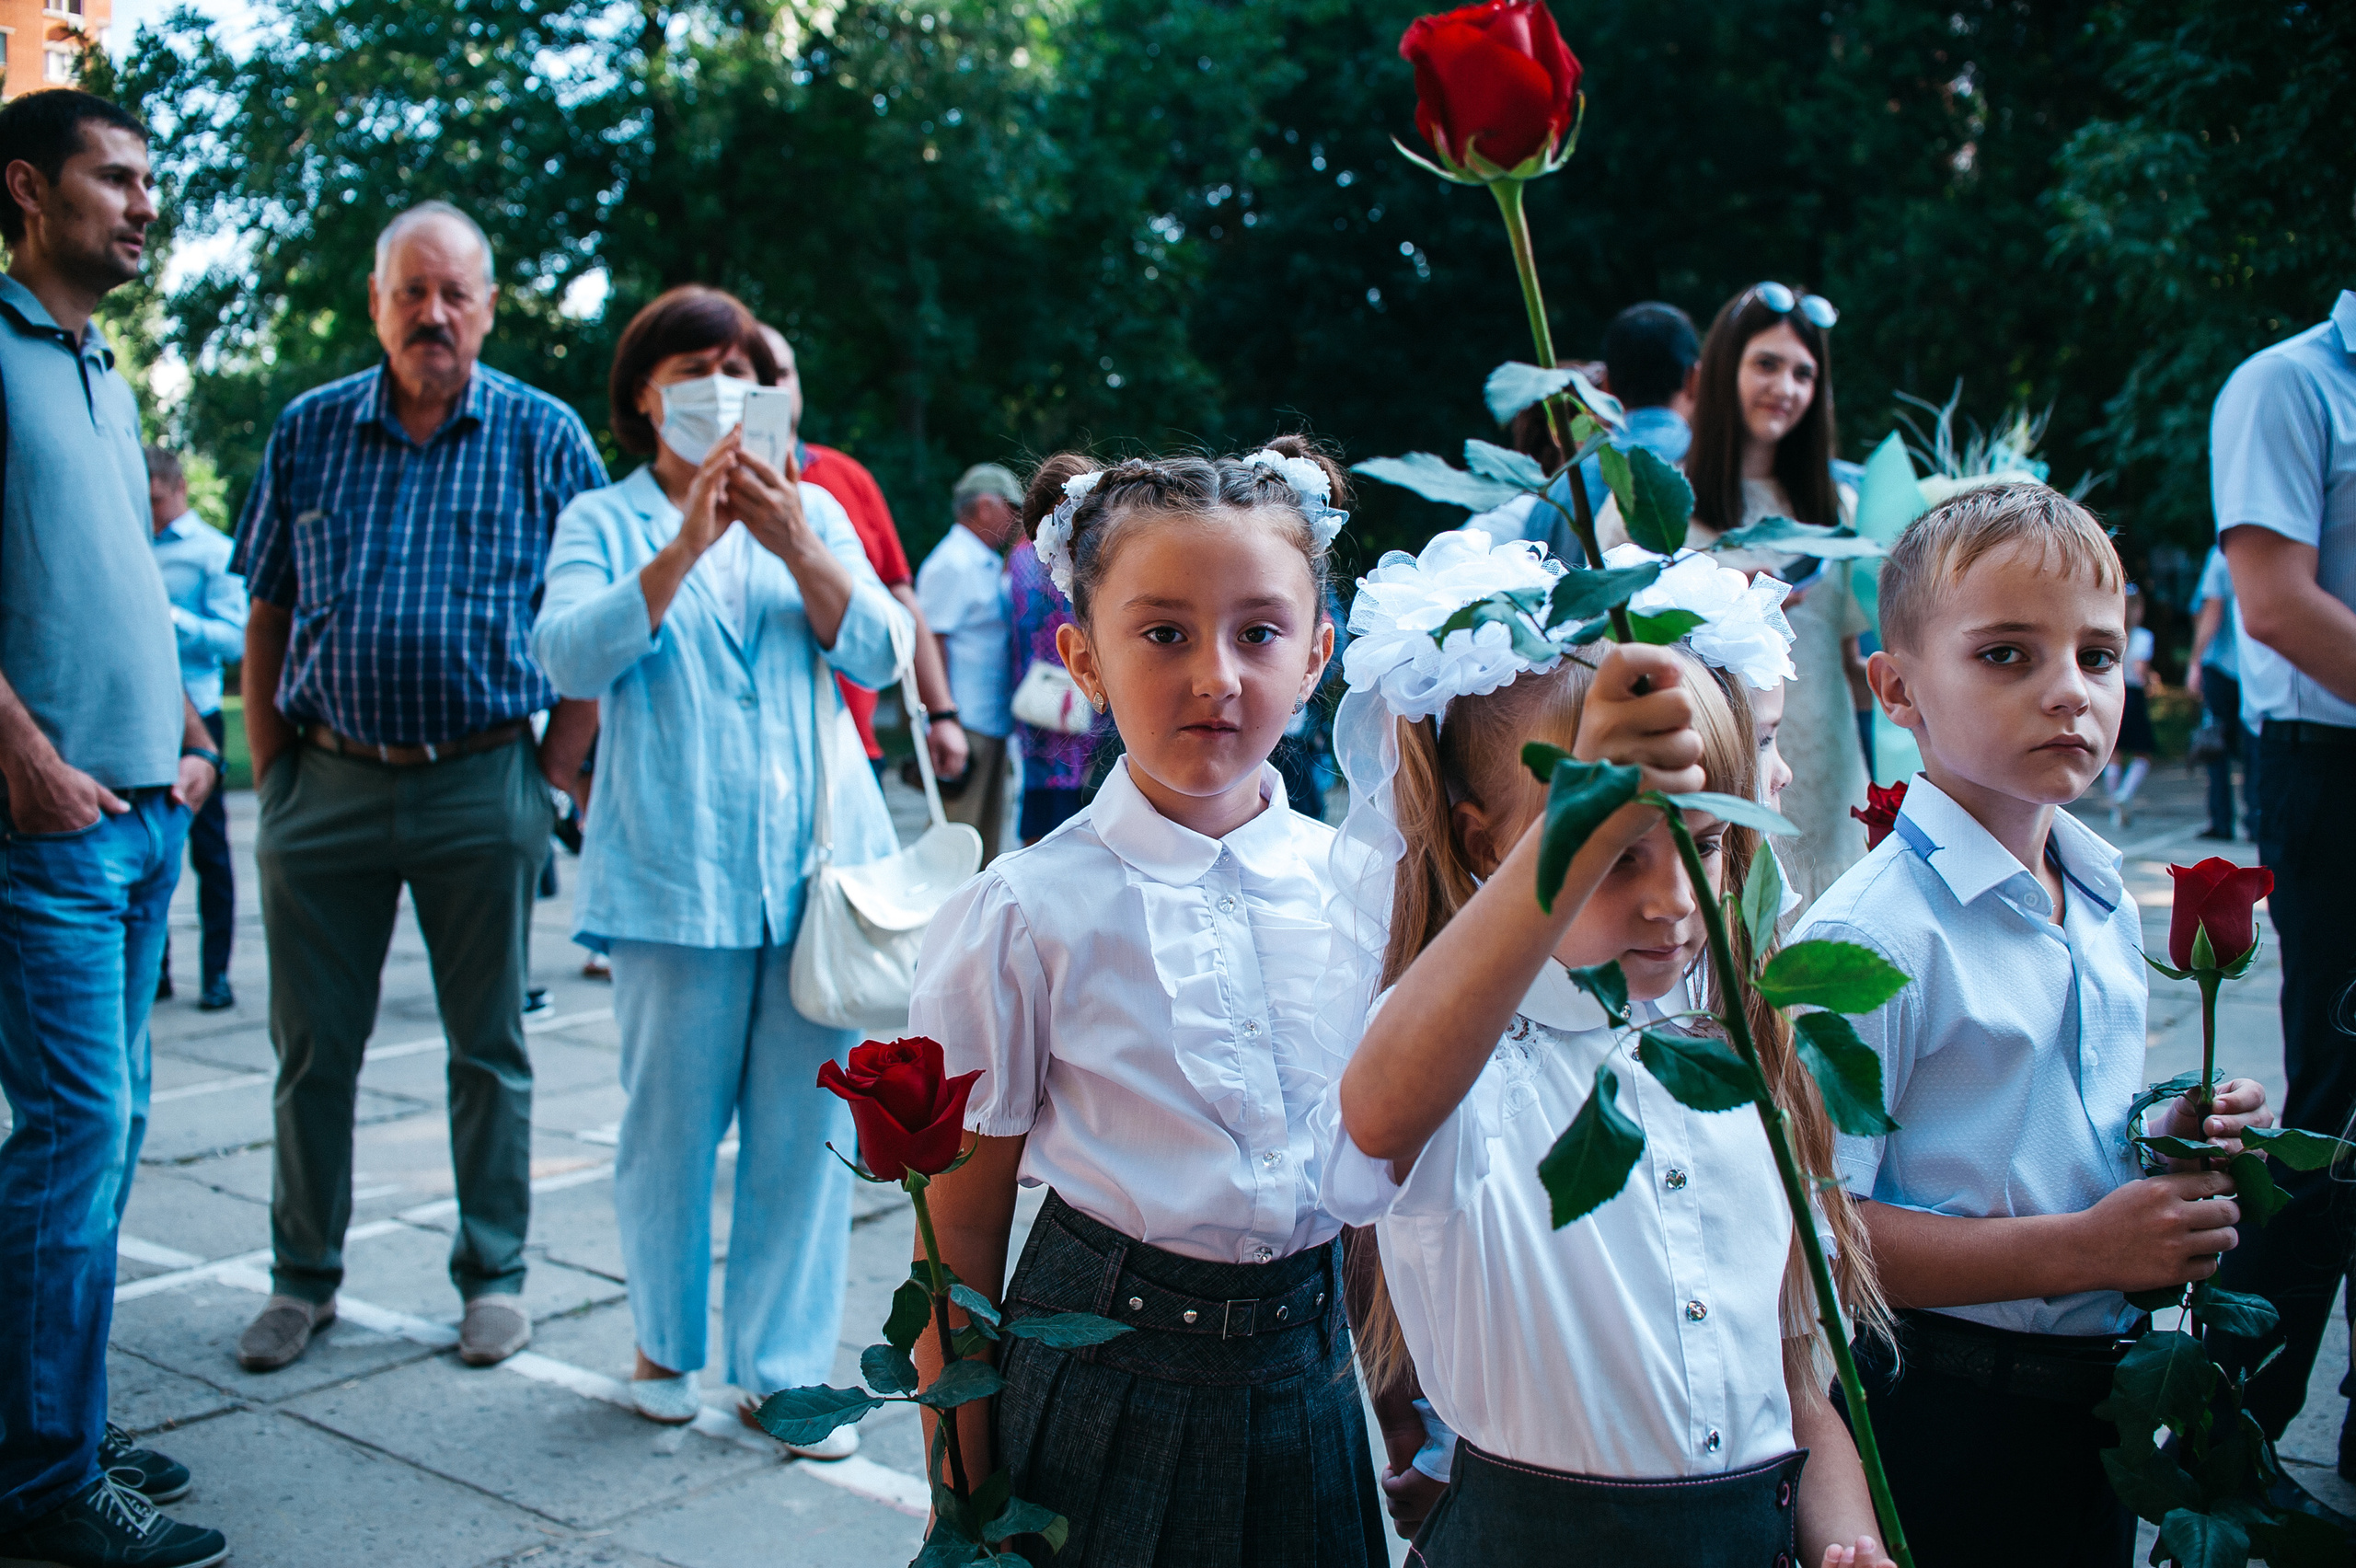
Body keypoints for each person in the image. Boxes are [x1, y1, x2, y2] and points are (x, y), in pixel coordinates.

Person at [1321, 532, 1891, 1565]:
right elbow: (1374, 1119)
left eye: (1704, 845)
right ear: (1487, 839)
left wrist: (1848, 1536)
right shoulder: (1477, 1071)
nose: (1673, 901)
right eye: (1614, 855)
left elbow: (1794, 1387)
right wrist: (1570, 827)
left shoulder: (1736, 1058)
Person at [908, 441, 1387, 1565]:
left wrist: (1403, 1406)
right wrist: (959, 1496)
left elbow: (1376, 1179)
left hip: (1308, 1379)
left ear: (1318, 654)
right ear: (1083, 656)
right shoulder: (1024, 912)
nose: (1215, 675)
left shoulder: (1363, 888)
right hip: (1098, 1382)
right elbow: (961, 1226)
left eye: (1258, 632)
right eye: (1163, 633)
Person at [1797, 484, 2272, 1565]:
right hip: (1946, 1407)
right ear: (1898, 688)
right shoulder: (1870, 942)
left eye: (2096, 657)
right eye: (2007, 655)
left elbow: (2046, 1131)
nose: (2068, 692)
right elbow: (1815, 1241)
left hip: (2087, 1403)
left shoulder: (2098, 892)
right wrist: (2078, 1249)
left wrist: (2170, 1137)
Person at [230, 200, 607, 1376]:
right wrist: (277, 770)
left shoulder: (546, 438)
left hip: (482, 779)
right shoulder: (309, 428)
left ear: (489, 308)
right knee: (311, 1052)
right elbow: (269, 610)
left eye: (455, 294)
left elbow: (592, 633)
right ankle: (303, 1280)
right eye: (412, 293)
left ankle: (491, 1275)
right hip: (326, 780)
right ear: (379, 304)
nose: (433, 315)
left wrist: (548, 778)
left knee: (486, 1049)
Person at [532, 285, 908, 1449]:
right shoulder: (604, 514)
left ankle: (784, 1369)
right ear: (645, 395)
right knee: (667, 1132)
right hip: (670, 878)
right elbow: (565, 652)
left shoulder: (813, 510)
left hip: (813, 886)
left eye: (739, 371)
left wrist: (793, 540)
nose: (718, 392)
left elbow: (882, 654)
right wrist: (685, 545)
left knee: (804, 1139)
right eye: (693, 371)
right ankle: (663, 1343)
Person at [0, 88, 228, 1568]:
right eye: (117, 179)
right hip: (55, 831)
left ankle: (55, 1422)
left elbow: (104, 583)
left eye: (152, 181)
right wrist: (21, 757)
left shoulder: (99, 367)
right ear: (26, 188)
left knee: (110, 1135)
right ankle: (38, 1489)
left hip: (148, 813)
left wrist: (195, 736)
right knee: (75, 1145)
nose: (145, 203)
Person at [2202, 289, 2356, 1493]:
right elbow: (2277, 604)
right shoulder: (2291, 384)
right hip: (2335, 770)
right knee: (2333, 1117)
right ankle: (2232, 1441)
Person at [1606, 282, 1874, 909]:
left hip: (1830, 782)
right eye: (1767, 364)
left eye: (1804, 373)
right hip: (1712, 786)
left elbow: (1848, 662)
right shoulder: (1651, 507)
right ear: (1721, 369)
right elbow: (1609, 655)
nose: (1786, 387)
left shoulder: (1842, 512)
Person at [754, 323, 964, 782]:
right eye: (754, 375)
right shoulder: (698, 499)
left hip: (851, 744)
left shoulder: (847, 478)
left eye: (782, 373)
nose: (771, 388)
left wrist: (942, 715)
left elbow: (901, 601)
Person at [146, 445, 248, 1013]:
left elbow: (237, 640)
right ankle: (155, 969)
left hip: (199, 716)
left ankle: (216, 974)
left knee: (208, 852)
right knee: (146, 843)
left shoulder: (215, 553)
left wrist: (170, 619)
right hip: (139, 714)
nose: (152, 512)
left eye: (157, 500)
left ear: (179, 488)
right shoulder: (126, 543)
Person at [916, 463, 1021, 862]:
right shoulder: (953, 563)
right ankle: (936, 924)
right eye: (1010, 507)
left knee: (982, 839)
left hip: (985, 719)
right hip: (966, 721)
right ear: (984, 507)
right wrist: (945, 718)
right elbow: (929, 643)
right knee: (956, 840)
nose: (1015, 518)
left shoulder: (980, 560)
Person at [1006, 455, 1101, 844]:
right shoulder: (1089, 560)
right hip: (1083, 689)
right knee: (1083, 806)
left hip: (1033, 690)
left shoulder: (1021, 557)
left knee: (1038, 803)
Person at [2184, 545, 2251, 842]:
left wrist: (2195, 662)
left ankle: (2221, 821)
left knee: (2216, 747)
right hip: (2255, 670)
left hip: (2221, 665)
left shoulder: (2221, 555)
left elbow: (2212, 610)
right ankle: (2257, 820)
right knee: (2254, 746)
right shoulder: (2270, 550)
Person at [2101, 583, 2158, 829]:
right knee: (2142, 751)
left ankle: (2115, 804)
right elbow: (2139, 669)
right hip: (2134, 693)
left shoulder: (2111, 634)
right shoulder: (2144, 637)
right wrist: (2150, 680)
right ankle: (2125, 792)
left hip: (2114, 693)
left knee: (2114, 752)